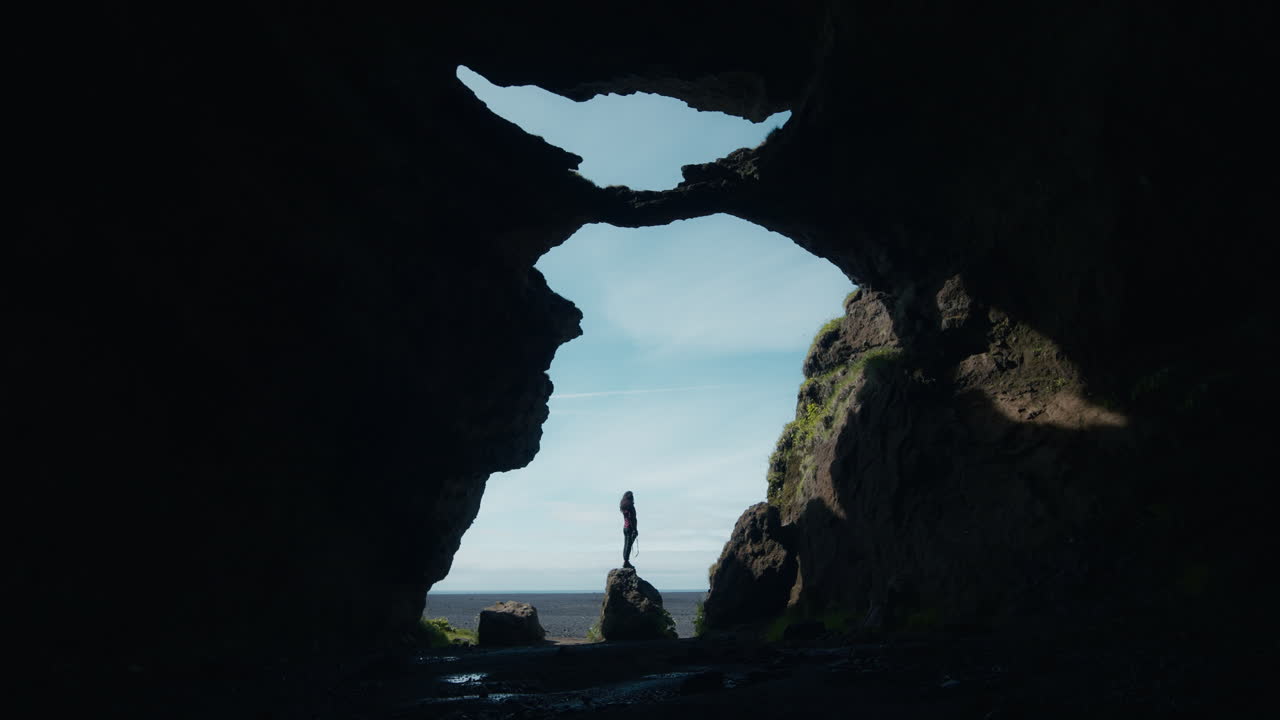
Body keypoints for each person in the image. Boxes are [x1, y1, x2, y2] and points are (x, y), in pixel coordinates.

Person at [620, 490, 638, 569]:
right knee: (628, 545)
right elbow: (632, 519)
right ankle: (626, 562)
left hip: (625, 527)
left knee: (626, 545)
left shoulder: (624, 506)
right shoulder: (630, 506)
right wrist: (634, 529)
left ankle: (626, 561)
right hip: (630, 528)